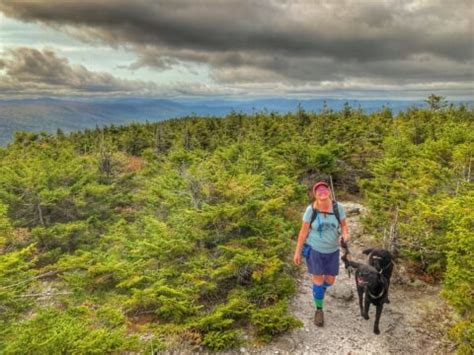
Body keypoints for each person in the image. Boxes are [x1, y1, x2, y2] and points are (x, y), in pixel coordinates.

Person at [293, 181, 350, 327]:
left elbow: (344, 226)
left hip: (332, 250)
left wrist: (345, 236)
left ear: (329, 191)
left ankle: (320, 290)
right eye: (319, 190)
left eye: (325, 189)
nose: (322, 192)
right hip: (315, 250)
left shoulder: (338, 208)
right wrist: (297, 252)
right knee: (317, 279)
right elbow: (303, 232)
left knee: (330, 280)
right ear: (314, 194)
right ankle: (319, 310)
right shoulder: (310, 210)